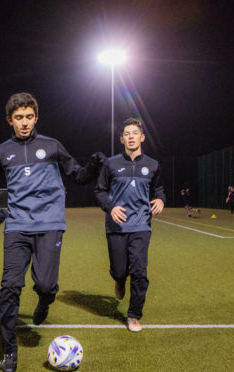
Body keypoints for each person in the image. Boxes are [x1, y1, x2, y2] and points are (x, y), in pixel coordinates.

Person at [0, 92, 105, 372]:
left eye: (29, 117)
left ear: (36, 118)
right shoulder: (0, 152)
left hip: (50, 225)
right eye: (18, 118)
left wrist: (94, 166)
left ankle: (44, 301)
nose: (24, 123)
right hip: (17, 227)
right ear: (10, 120)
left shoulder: (52, 146)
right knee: (9, 286)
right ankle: (10, 350)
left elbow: (78, 175)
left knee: (46, 285)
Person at [94, 117, 165, 333]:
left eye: (135, 133)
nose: (131, 137)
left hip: (141, 225)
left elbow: (159, 189)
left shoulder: (152, 165)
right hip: (116, 227)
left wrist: (161, 199)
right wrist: (110, 207)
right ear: (121, 139)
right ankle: (118, 279)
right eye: (127, 134)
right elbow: (100, 191)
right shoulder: (111, 163)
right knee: (119, 270)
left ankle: (134, 315)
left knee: (139, 271)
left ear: (142, 137)